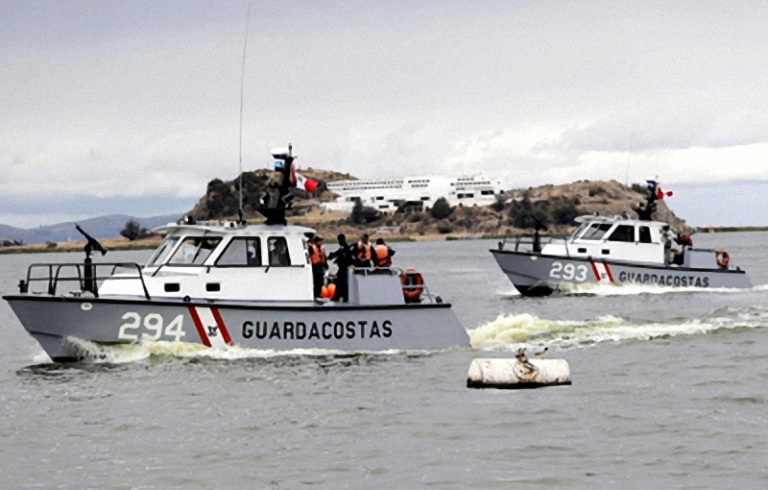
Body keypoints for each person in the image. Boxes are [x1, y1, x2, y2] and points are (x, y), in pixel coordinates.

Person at [327, 234, 353, 302]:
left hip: (344, 268)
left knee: (342, 282)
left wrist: (334, 257)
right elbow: (337, 254)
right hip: (341, 267)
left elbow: (346, 257)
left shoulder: (345, 247)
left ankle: (343, 296)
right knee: (339, 282)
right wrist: (332, 256)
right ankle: (340, 296)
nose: (339, 241)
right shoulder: (343, 247)